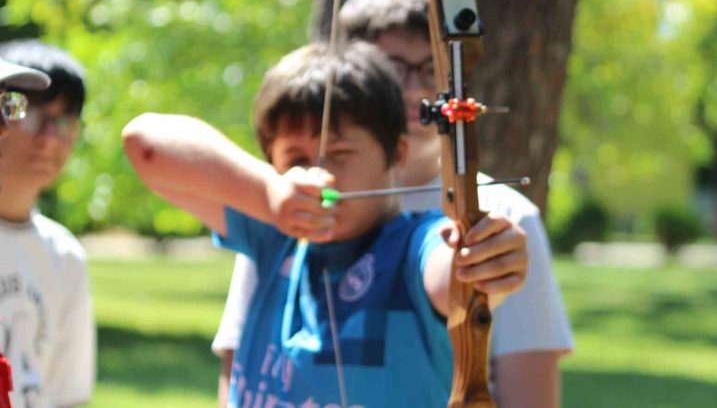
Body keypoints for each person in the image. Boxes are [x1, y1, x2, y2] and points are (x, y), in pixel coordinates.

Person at [214, 0, 574, 407]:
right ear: (350, 70)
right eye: (394, 68)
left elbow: (530, 390)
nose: (413, 89)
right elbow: (243, 360)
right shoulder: (293, 195)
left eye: (430, 68)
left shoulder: (505, 213)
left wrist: (483, 258)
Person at [123, 40, 528, 407]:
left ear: (397, 154)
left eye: (340, 153)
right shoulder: (272, 231)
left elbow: (452, 277)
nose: (320, 176)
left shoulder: (412, 245)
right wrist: (268, 194)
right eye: (296, 157)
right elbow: (143, 143)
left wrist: (484, 260)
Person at [0, 40, 95, 408]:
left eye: (64, 121)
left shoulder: (65, 255)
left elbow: (66, 396)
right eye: (26, 111)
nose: (49, 138)